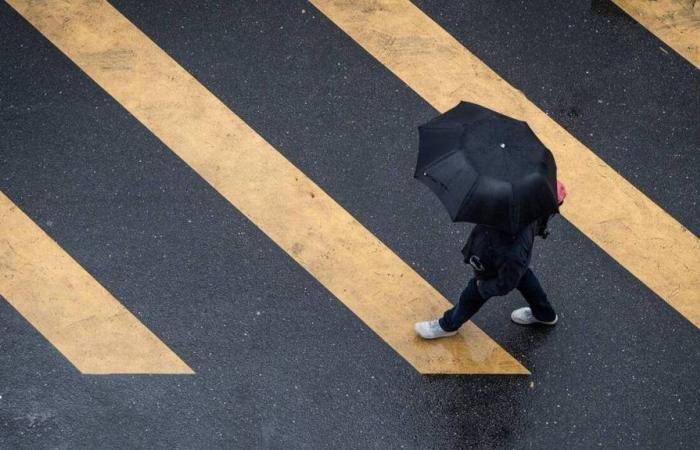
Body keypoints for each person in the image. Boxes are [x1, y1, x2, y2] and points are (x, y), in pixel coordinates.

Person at [415, 180, 568, 339]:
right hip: (502, 252)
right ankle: (544, 314)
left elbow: (505, 284)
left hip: (495, 259)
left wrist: (484, 286)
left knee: (473, 293)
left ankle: (448, 325)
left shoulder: (513, 249)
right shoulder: (526, 209)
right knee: (523, 276)